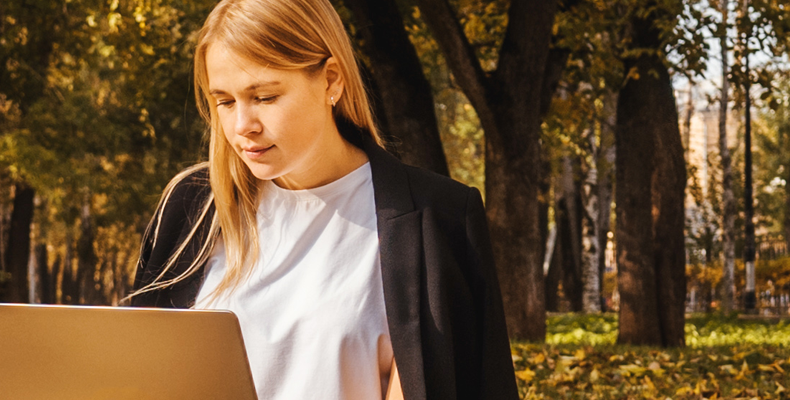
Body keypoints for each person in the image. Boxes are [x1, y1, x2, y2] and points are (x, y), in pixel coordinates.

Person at [126, 0, 518, 399]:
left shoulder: (436, 220)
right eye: (224, 102)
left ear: (331, 80)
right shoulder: (191, 206)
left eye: (264, 97)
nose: (243, 126)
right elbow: (132, 373)